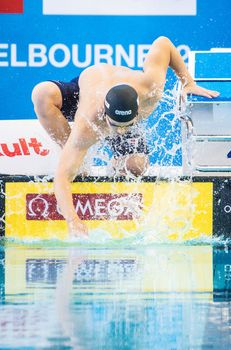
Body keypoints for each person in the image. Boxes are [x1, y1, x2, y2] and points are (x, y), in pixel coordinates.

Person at [32, 36, 219, 236]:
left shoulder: (150, 87)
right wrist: (72, 220)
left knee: (136, 166)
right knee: (42, 94)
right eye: (115, 126)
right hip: (86, 90)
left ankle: (113, 161)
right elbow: (61, 177)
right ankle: (79, 162)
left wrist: (188, 82)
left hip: (118, 97)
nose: (120, 131)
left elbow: (164, 43)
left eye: (126, 126)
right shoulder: (87, 120)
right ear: (105, 114)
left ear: (138, 111)